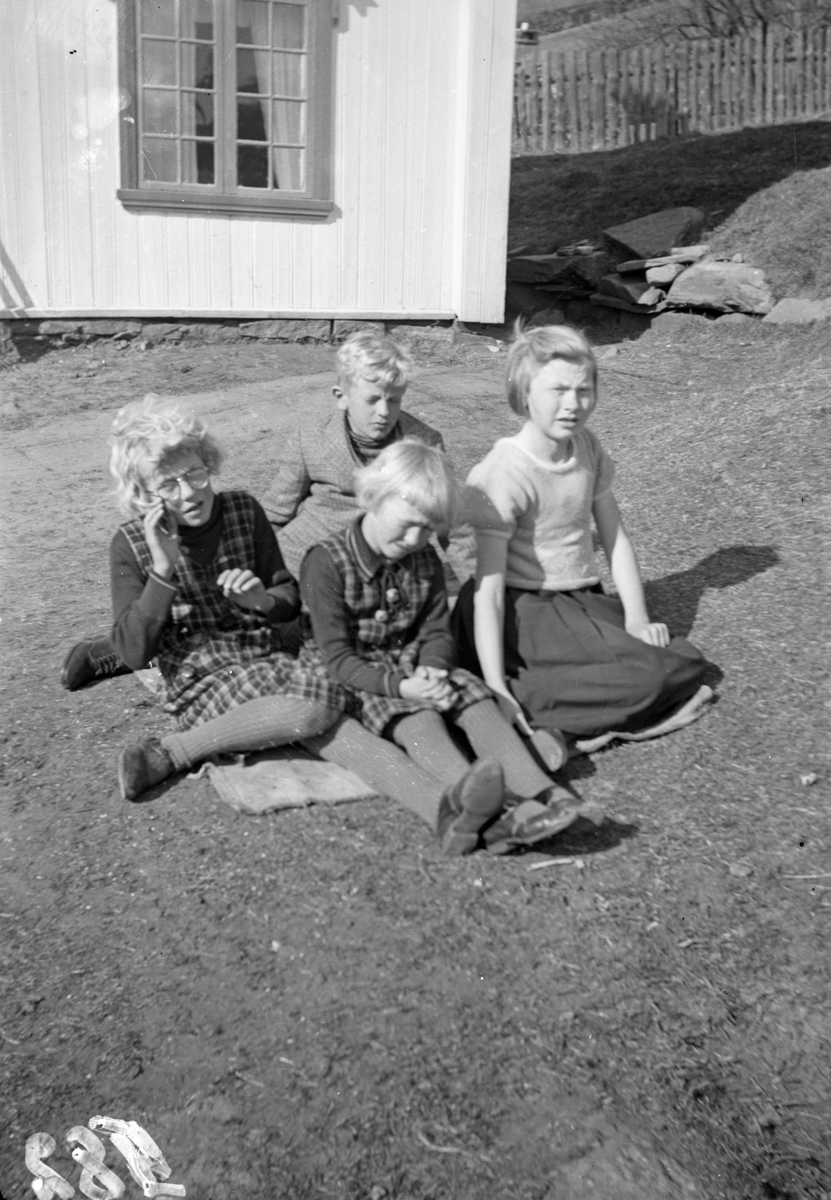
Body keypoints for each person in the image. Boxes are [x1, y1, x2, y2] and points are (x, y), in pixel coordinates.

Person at [108, 397, 550, 856]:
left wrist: (259, 599)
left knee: (335, 716)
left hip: (272, 655)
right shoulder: (131, 543)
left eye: (196, 474)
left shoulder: (242, 510)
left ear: (209, 464)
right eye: (168, 484)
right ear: (143, 491)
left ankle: (449, 813)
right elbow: (134, 653)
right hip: (202, 676)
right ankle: (173, 750)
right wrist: (162, 571)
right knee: (316, 709)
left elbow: (286, 601)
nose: (188, 493)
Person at [60, 330, 442, 690]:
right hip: (309, 559)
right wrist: (251, 554)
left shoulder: (422, 445)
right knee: (297, 633)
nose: (384, 411)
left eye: (395, 399)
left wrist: (462, 581)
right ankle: (118, 649)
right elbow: (277, 509)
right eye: (373, 399)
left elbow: (446, 519)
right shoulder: (311, 438)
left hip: (377, 560)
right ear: (341, 395)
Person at [300, 439, 588, 854]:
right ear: (373, 498)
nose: (417, 537)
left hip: (411, 663)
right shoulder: (325, 562)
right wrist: (404, 687)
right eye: (408, 523)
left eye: (428, 527)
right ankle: (502, 814)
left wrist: (434, 666)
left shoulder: (423, 558)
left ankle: (545, 794)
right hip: (358, 675)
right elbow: (339, 658)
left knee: (469, 692)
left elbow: (436, 629)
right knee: (420, 719)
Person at [452, 323, 712, 752]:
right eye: (557, 390)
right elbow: (489, 591)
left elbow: (615, 539)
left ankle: (562, 722)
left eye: (583, 390)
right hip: (523, 608)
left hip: (579, 599)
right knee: (646, 679)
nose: (572, 405)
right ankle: (521, 706)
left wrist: (635, 618)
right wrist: (497, 684)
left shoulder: (586, 446)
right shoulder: (503, 472)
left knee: (683, 661)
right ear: (524, 390)